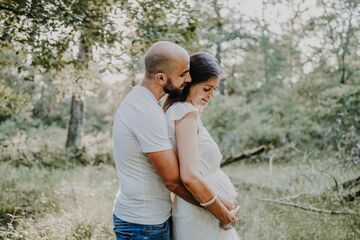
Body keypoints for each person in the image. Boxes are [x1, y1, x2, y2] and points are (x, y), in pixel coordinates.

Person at [112, 42, 236, 240]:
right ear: (161, 77)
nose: (188, 79)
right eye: (182, 74)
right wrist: (219, 209)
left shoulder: (149, 105)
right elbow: (174, 180)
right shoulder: (146, 111)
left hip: (150, 220)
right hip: (143, 225)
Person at [164, 52, 240, 240]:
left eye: (214, 89)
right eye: (207, 88)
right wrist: (222, 211)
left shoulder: (178, 112)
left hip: (202, 214)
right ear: (189, 82)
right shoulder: (185, 114)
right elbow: (189, 176)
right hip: (202, 217)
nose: (211, 95)